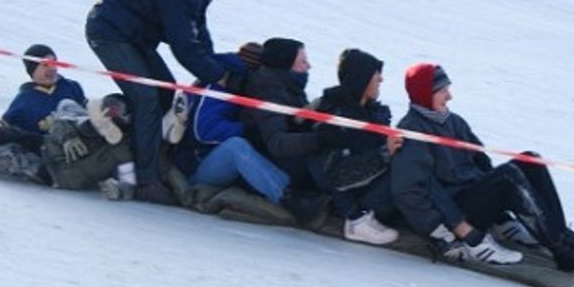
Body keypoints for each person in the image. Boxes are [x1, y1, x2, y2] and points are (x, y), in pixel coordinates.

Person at [391, 62, 574, 270]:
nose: (450, 96)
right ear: (424, 93)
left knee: (530, 160)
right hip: (456, 212)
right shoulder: (412, 130)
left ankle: (565, 236)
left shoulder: (453, 121)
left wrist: (499, 197)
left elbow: (480, 158)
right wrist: (440, 232)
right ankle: (563, 252)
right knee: (508, 176)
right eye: (442, 91)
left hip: (473, 194)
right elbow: (409, 190)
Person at [85, 0, 245, 205]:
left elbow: (199, 34)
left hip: (136, 36)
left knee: (164, 95)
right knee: (146, 97)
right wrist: (218, 75)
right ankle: (145, 180)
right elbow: (184, 47)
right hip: (109, 32)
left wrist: (218, 66)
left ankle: (124, 131)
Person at [170, 43, 328, 224]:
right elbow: (203, 131)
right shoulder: (218, 85)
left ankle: (298, 189)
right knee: (237, 148)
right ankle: (288, 198)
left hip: (215, 160)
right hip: (197, 162)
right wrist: (246, 128)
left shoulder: (248, 84)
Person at [0, 44, 135, 191]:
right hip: (47, 153)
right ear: (32, 69)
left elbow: (85, 111)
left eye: (54, 63)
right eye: (44, 65)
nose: (51, 68)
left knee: (81, 113)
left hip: (80, 140)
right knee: (15, 156)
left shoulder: (70, 87)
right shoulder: (24, 101)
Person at [310, 48, 403, 245]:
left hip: (373, 184)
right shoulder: (336, 117)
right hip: (354, 197)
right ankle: (356, 222)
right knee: (411, 170)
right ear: (362, 79)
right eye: (376, 76)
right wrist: (385, 152)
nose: (381, 80)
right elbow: (335, 175)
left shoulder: (374, 112)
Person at [240, 37, 332, 222]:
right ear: (285, 65)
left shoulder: (289, 86)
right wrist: (319, 139)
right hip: (265, 165)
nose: (309, 66)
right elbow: (277, 142)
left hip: (282, 160)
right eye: (303, 62)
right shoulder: (266, 89)